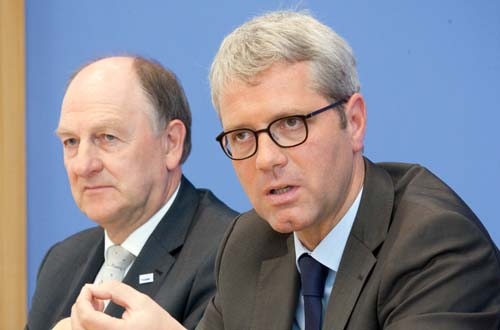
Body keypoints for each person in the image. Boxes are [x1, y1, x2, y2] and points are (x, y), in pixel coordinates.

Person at [61, 11, 500, 330]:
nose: (266, 158)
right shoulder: (248, 244)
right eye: (242, 136)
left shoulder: (435, 242)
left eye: (291, 124)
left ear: (355, 122)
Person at [25, 55, 238, 330]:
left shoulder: (230, 254)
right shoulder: (61, 261)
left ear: (171, 143)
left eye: (107, 138)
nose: (83, 165)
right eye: (71, 142)